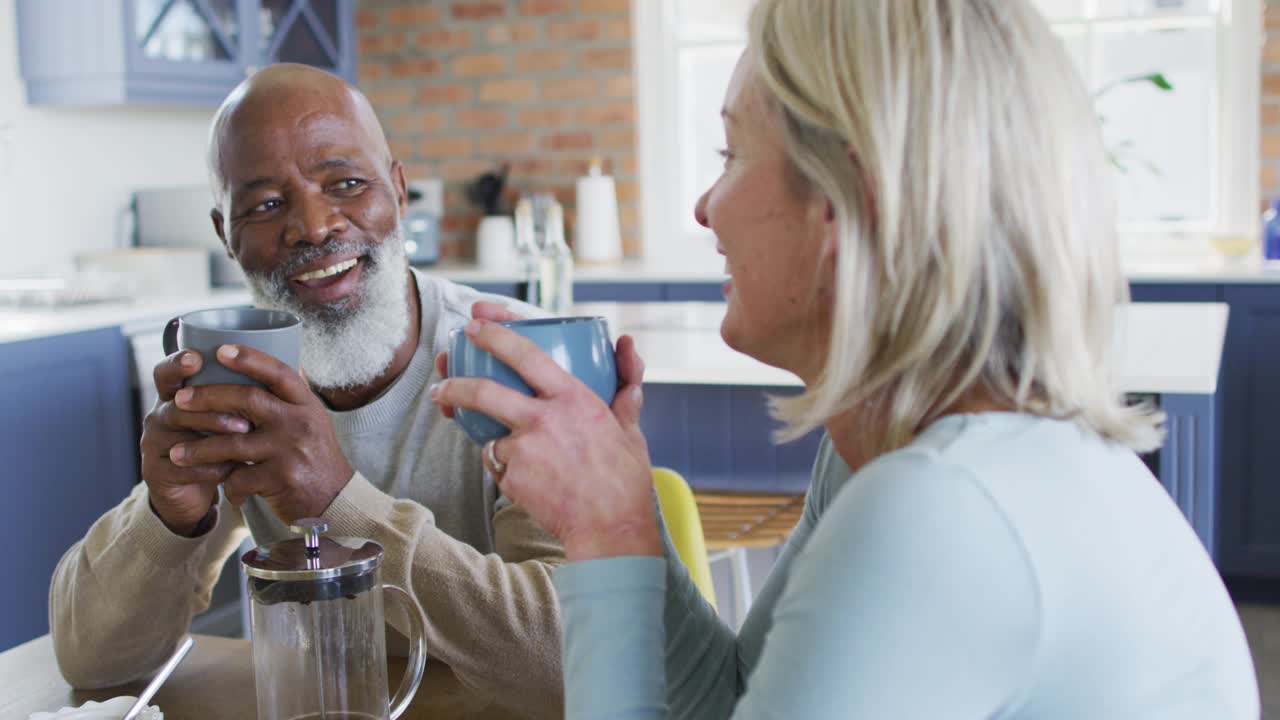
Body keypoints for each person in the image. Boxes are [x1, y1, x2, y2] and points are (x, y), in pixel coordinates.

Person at [430, 0, 1261, 717]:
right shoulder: (895, 452)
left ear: (844, 203)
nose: (704, 207)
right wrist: (621, 517)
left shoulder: (943, 508)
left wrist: (607, 529)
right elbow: (735, 700)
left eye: (731, 156)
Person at [48, 64, 565, 720]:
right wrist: (169, 516)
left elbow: (580, 661)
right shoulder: (245, 375)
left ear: (398, 192)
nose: (314, 226)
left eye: (346, 183)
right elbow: (92, 661)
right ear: (224, 236)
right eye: (265, 205)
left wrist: (336, 499)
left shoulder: (520, 359)